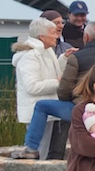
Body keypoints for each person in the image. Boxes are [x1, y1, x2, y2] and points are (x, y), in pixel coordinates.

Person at [12, 17, 72, 160]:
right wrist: (58, 82)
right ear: (42, 36)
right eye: (52, 32)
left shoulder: (47, 51)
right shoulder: (30, 57)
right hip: (36, 112)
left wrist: (63, 59)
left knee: (44, 152)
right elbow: (32, 86)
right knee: (39, 152)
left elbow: (51, 72)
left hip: (48, 109)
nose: (56, 35)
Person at [57, 21, 95, 101]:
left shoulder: (76, 58)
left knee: (42, 105)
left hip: (81, 106)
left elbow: (64, 90)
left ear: (86, 37)